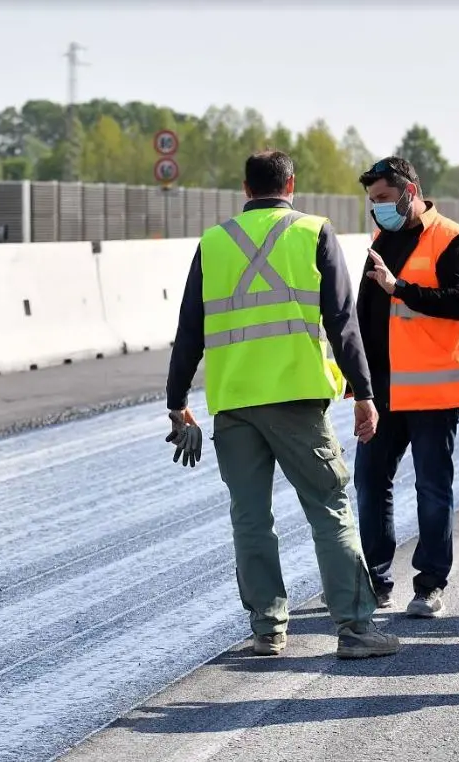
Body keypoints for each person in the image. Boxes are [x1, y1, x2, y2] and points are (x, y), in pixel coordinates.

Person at [165, 150, 401, 660]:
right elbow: (343, 321)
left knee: (250, 518)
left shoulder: (214, 243)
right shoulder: (313, 232)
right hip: (296, 400)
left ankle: (267, 630)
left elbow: (189, 332)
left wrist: (176, 402)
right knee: (329, 509)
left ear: (245, 188)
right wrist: (364, 394)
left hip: (233, 405)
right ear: (291, 183)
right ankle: (356, 630)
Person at [352, 156, 459, 619]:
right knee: (369, 482)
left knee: (431, 487)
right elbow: (366, 316)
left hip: (433, 392)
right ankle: (376, 580)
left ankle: (429, 586)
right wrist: (359, 388)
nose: (379, 208)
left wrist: (400, 287)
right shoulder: (381, 240)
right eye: (373, 202)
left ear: (412, 189)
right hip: (385, 392)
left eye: (385, 199)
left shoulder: (454, 239)